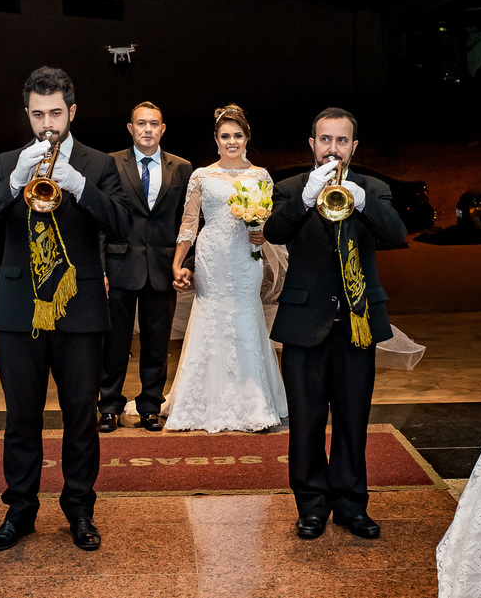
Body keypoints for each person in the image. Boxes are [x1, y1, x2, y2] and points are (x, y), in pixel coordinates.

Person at [0, 66, 130, 554]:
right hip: (19, 309)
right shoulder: (6, 162)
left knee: (81, 416)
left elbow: (122, 224)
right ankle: (20, 511)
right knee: (21, 417)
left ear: (72, 112)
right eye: (38, 114)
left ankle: (80, 509)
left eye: (55, 113)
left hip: (78, 308)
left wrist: (79, 186)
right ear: (27, 114)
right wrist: (14, 182)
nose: (47, 124)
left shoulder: (97, 164)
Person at [264, 107, 407, 541]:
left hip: (356, 322)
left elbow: (397, 235)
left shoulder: (374, 189)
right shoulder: (290, 188)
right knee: (306, 422)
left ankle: (350, 505)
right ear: (312, 144)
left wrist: (361, 202)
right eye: (325, 140)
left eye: (341, 141)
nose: (333, 149)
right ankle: (310, 506)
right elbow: (272, 231)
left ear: (354, 147)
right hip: (304, 322)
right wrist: (306, 198)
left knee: (352, 419)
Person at [165, 104, 288, 432]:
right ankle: (201, 402)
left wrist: (261, 232)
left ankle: (254, 403)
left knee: (246, 317)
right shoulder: (202, 175)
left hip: (246, 257)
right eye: (225, 136)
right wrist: (178, 262)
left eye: (237, 135)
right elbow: (190, 222)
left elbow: (267, 223)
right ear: (216, 139)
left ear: (247, 137)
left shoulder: (260, 176)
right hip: (211, 257)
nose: (231, 141)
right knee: (210, 319)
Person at [99, 102, 192, 434]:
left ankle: (151, 406)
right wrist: (101, 270)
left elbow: (189, 220)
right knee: (114, 342)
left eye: (154, 123)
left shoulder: (181, 168)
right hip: (120, 265)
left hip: (163, 268)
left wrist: (186, 264)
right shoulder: (109, 164)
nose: (148, 129)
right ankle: (109, 405)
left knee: (157, 342)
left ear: (163, 129)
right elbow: (100, 220)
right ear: (130, 128)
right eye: (141, 124)